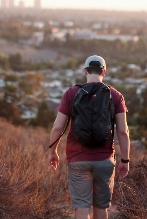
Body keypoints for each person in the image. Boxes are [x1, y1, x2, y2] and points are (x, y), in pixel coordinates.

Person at [48, 55, 130, 219]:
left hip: (78, 160)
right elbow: (123, 132)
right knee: (101, 208)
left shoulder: (71, 93)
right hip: (105, 160)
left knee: (81, 208)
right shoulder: (115, 96)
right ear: (104, 72)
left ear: (85, 71)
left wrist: (52, 151)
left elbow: (58, 127)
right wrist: (125, 160)